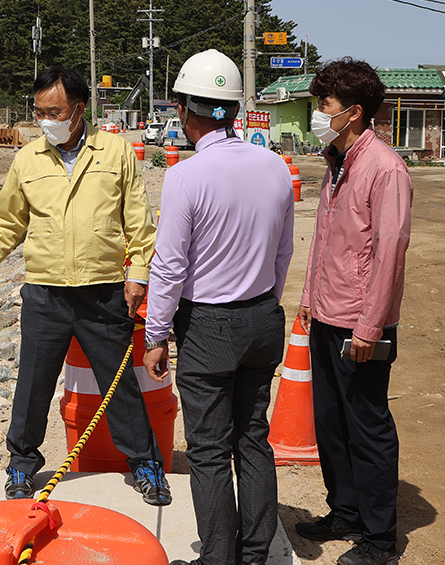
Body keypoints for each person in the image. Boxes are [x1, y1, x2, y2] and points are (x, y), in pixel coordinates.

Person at [0, 66, 170, 506]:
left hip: (103, 293)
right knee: (33, 383)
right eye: (39, 111)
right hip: (45, 294)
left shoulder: (117, 152)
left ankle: (144, 463)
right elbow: (7, 224)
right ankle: (21, 465)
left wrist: (138, 274)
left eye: (54, 111)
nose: (45, 120)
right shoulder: (28, 158)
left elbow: (139, 223)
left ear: (79, 109)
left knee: (120, 382)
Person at [143, 50, 294, 565]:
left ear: (187, 110)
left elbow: (169, 267)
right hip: (262, 319)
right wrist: (262, 306)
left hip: (208, 324)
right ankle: (255, 555)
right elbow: (283, 251)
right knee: (252, 437)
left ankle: (217, 558)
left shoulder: (188, 176)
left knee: (208, 449)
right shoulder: (274, 167)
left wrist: (155, 335)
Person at [294, 58, 412, 565]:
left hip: (360, 324)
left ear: (355, 112)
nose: (319, 112)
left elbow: (390, 252)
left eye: (325, 104)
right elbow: (326, 240)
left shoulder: (385, 168)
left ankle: (380, 538)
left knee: (367, 426)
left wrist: (370, 324)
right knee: (331, 421)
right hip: (325, 314)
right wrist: (307, 297)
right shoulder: (336, 160)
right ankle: (343, 510)